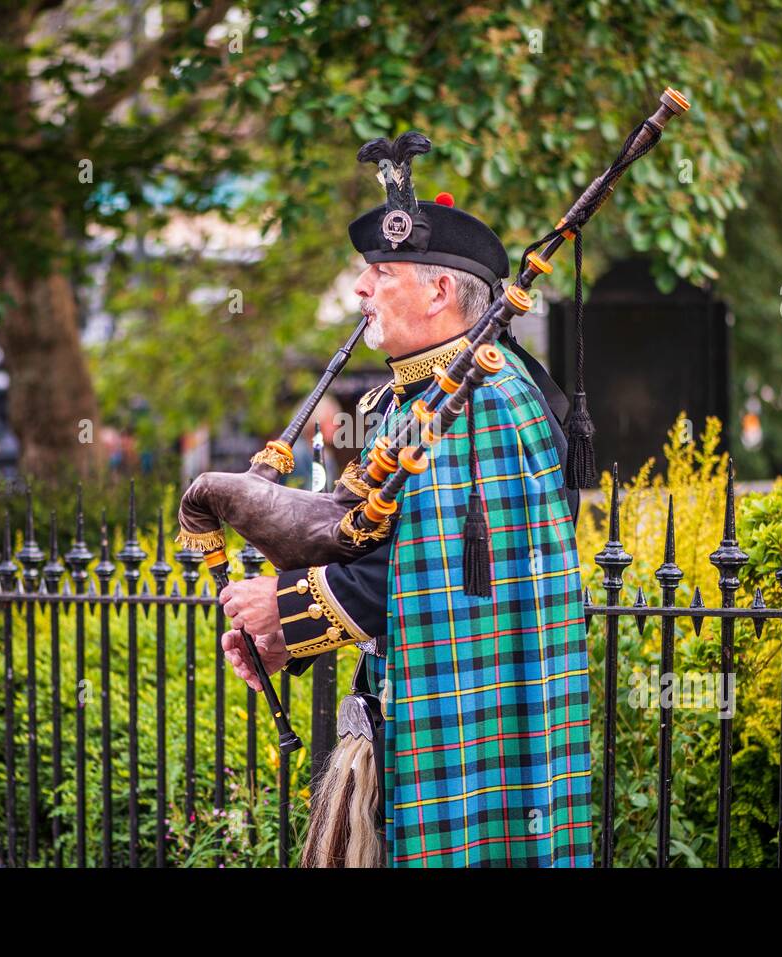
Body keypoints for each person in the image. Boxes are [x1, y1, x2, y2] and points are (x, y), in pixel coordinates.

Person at [219, 132, 590, 867]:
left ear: (440, 290)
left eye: (379, 272)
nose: (361, 289)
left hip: (472, 726)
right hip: (415, 712)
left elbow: (435, 574)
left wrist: (284, 605)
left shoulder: (482, 394)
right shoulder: (417, 393)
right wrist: (282, 630)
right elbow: (382, 550)